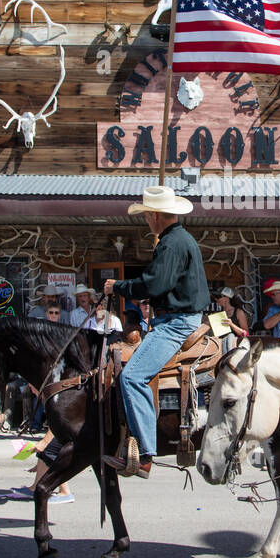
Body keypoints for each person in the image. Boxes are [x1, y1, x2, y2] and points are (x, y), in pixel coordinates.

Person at [103, 185, 209, 479]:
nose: (146, 221)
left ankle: (145, 455)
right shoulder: (175, 240)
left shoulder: (172, 244)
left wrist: (119, 286)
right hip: (176, 318)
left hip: (177, 323)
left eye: (147, 216)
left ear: (154, 215)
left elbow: (155, 285)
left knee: (133, 376)